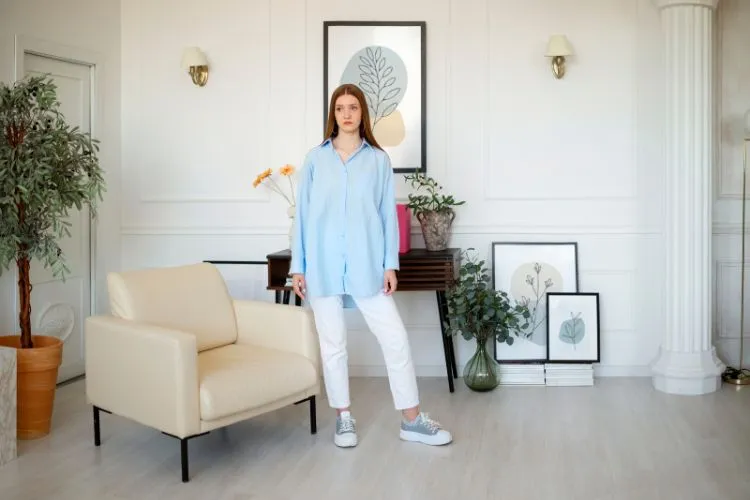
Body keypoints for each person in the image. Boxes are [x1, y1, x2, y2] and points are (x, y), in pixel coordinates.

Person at [289, 83, 452, 448]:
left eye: (353, 107)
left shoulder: (378, 161)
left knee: (394, 338)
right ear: (333, 114)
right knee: (333, 345)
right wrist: (298, 267)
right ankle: (343, 418)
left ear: (363, 113)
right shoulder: (315, 159)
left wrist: (389, 265)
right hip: (323, 267)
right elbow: (302, 216)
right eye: (340, 108)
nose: (346, 114)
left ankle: (411, 421)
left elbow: (386, 217)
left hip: (366, 266)